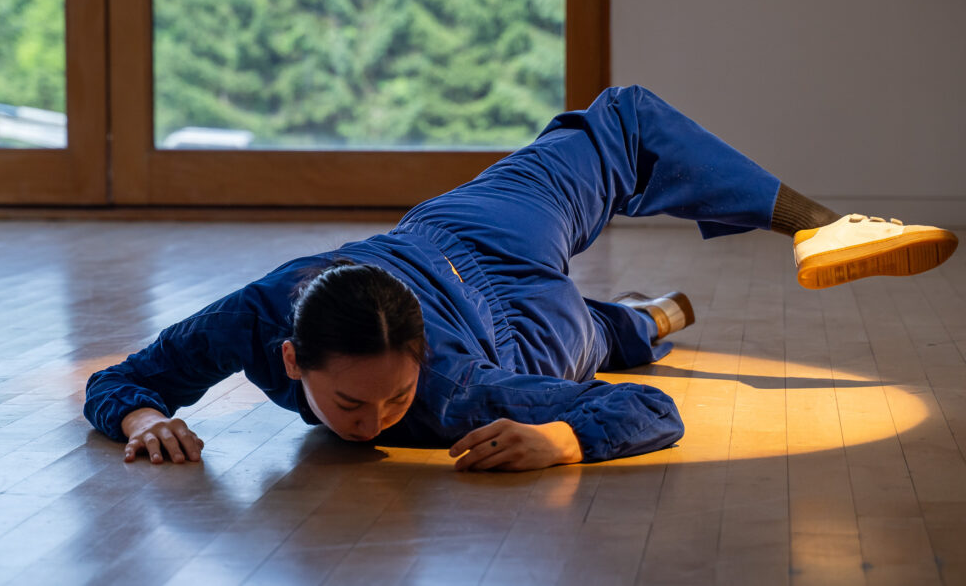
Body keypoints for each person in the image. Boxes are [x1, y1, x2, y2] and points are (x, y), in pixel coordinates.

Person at [83, 86, 958, 471]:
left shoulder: (455, 390)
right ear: (288, 358)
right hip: (529, 319)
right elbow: (124, 379)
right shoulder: (257, 313)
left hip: (467, 234)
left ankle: (823, 223)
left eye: (394, 398)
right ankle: (647, 320)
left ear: (420, 359)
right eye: (352, 406)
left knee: (625, 120)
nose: (378, 421)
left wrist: (563, 441)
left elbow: (646, 416)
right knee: (590, 339)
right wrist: (149, 417)